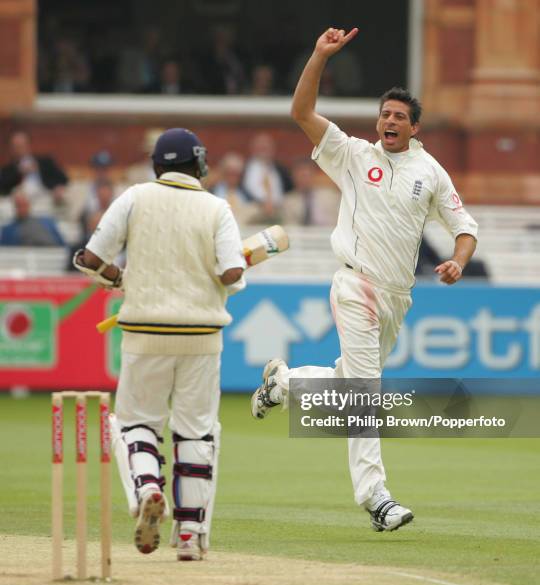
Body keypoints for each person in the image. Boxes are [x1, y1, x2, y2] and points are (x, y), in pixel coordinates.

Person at [251, 28, 479, 532]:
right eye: (384, 114)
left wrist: (459, 262)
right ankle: (376, 498)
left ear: (415, 128)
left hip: (398, 297)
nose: (389, 121)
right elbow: (302, 114)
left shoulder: (432, 173)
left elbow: (465, 229)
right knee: (365, 393)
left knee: (347, 383)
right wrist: (317, 56)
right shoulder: (353, 155)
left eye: (400, 117)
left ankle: (283, 384)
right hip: (355, 285)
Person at [74, 128, 246, 560]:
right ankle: (189, 533)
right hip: (201, 338)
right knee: (197, 432)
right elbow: (231, 275)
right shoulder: (216, 207)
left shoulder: (134, 198)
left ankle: (148, 486)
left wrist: (118, 278)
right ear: (199, 163)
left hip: (144, 331)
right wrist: (236, 267)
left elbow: (91, 260)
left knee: (135, 424)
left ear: (158, 165)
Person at [0, 131, 68, 204]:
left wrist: (57, 187)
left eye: (22, 145)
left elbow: (63, 178)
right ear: (11, 149)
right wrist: (19, 172)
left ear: (29, 145)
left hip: (46, 198)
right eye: (16, 146)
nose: (19, 149)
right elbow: (3, 188)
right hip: (19, 204)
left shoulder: (45, 161)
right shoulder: (8, 169)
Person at [282, 159, 340, 226]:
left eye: (307, 175)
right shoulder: (288, 201)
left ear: (314, 175)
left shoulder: (331, 196)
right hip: (299, 235)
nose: (304, 180)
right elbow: (289, 226)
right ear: (294, 177)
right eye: (301, 176)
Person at [0, 190, 65, 247]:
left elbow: (61, 244)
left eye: (24, 205)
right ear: (14, 207)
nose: (22, 209)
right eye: (19, 205)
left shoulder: (47, 223)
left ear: (29, 205)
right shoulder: (8, 231)